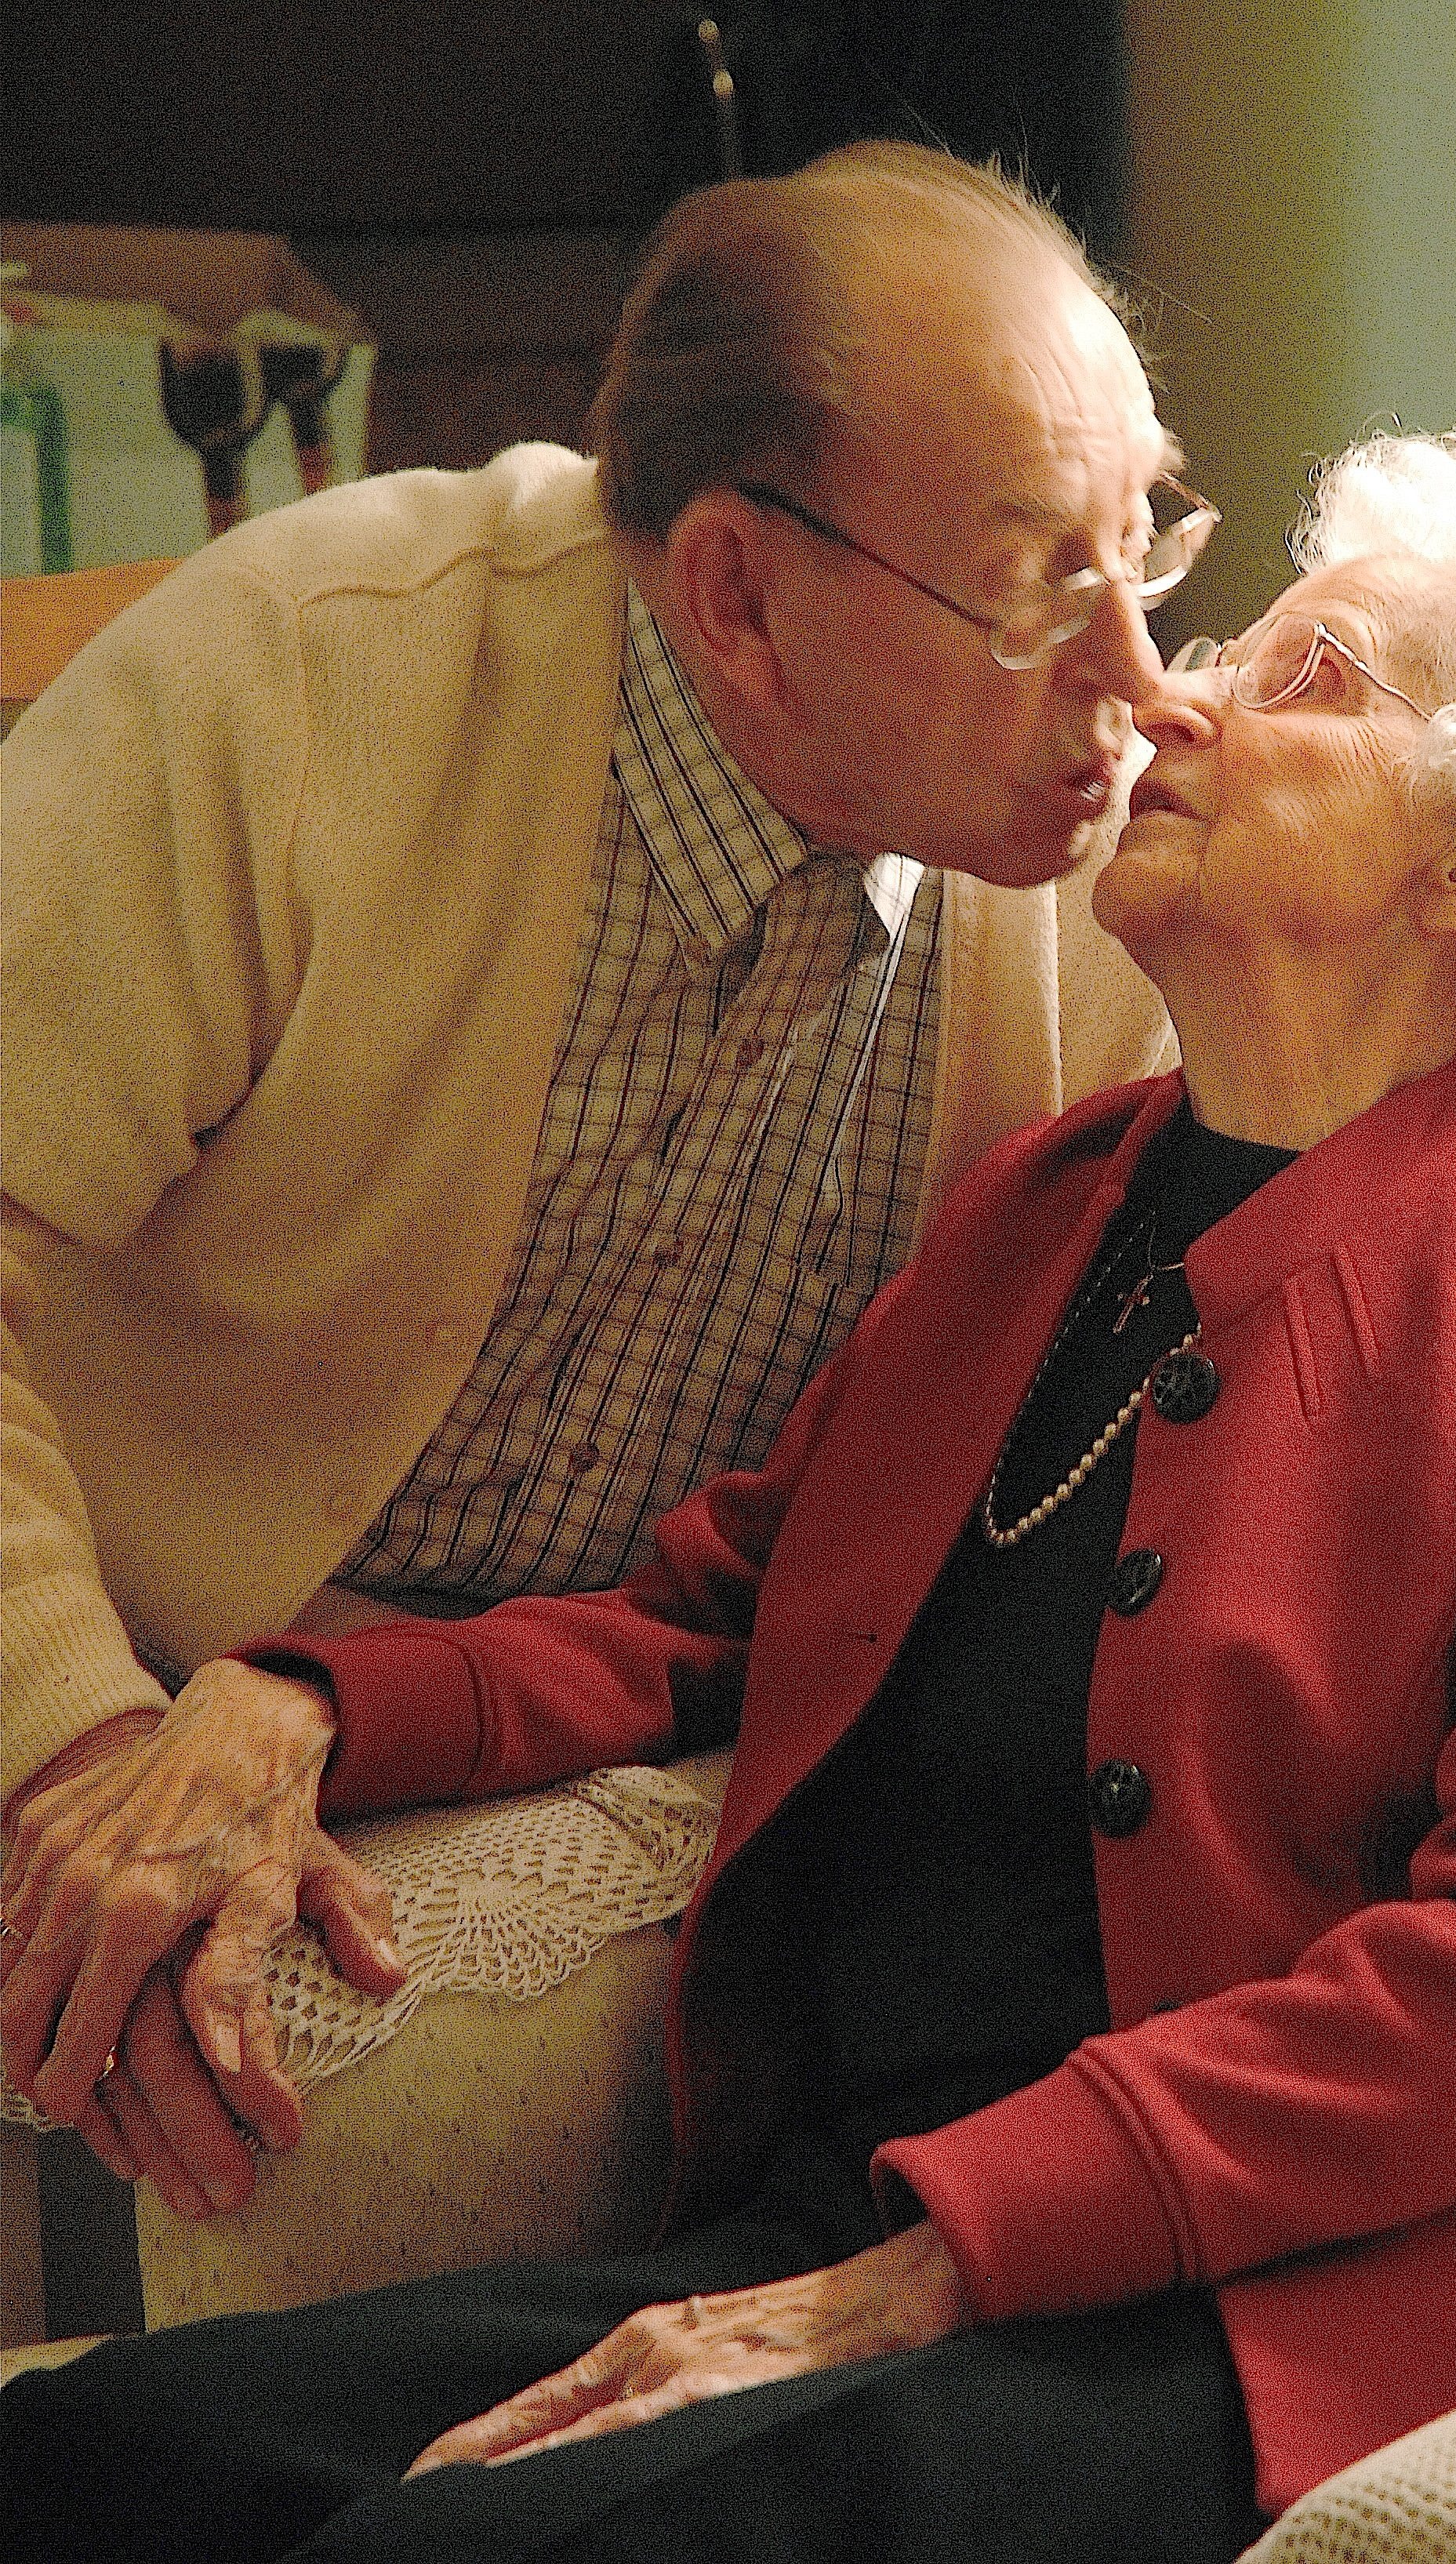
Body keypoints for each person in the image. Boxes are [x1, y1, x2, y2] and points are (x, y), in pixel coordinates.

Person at [7, 423, 1456, 2562]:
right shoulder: (1042, 1212)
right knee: (83, 2471)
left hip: (1267, 2313)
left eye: (1304, 677)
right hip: (852, 2227)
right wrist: (292, 1705)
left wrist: (941, 2262)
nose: (1170, 694)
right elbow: (718, 1613)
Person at [0, 143, 1196, 2214]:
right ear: (738, 597)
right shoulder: (318, 676)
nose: (1140, 678)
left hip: (549, 1714)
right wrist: (74, 1737)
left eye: (1146, 539)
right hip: (105, 1611)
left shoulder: (1111, 897)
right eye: (1030, 583)